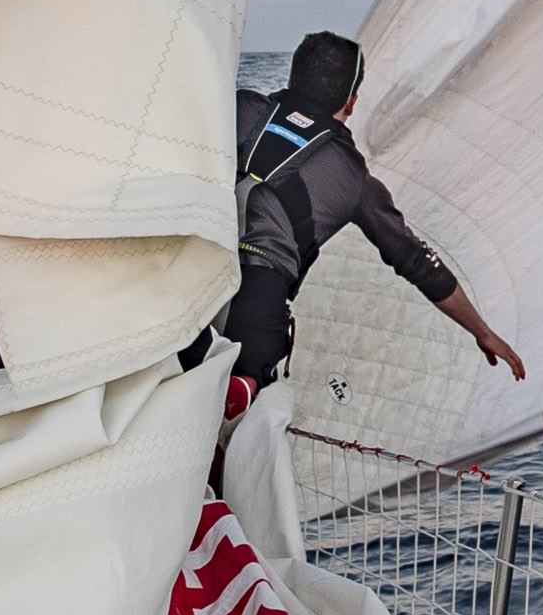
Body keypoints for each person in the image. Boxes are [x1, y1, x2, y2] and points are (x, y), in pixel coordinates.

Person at [215, 30, 525, 392]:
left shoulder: (238, 107)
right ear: (352, 101)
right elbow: (419, 263)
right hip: (256, 305)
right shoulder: (353, 178)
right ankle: (244, 392)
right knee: (239, 413)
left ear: (290, 78)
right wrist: (483, 332)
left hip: (183, 264)